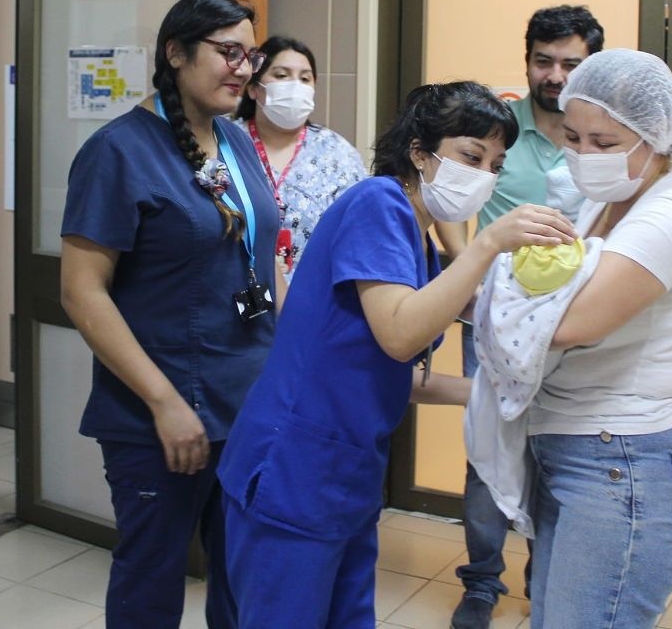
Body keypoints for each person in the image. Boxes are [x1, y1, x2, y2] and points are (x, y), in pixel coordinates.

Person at [218, 81, 577, 628]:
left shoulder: (418, 241)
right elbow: (399, 335)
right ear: (418, 151)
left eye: (495, 166)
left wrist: (506, 394)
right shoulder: (378, 203)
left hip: (348, 469)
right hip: (295, 462)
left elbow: (394, 374)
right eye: (471, 157)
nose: (483, 177)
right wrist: (485, 245)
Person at [59, 0, 278, 629]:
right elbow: (82, 292)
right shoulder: (118, 152)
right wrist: (165, 403)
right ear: (176, 54)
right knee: (152, 582)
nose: (242, 67)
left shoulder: (236, 141)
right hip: (162, 415)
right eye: (226, 52)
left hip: (246, 401)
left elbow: (258, 262)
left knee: (242, 577)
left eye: (250, 55)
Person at [515, 48, 672, 627]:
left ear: (656, 139)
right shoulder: (601, 201)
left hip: (628, 461)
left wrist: (481, 286)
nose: (584, 155)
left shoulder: (670, 216)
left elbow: (571, 323)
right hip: (576, 447)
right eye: (573, 137)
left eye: (604, 143)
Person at [436, 4, 604, 629]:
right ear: (527, 60)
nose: (555, 74)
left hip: (576, 331)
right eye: (543, 60)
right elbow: (453, 202)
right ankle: (481, 583)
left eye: (570, 63)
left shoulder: (604, 140)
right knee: (488, 455)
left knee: (559, 457)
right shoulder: (499, 130)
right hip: (497, 325)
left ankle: (547, 579)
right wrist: (470, 275)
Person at [233, 35, 366, 282]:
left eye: (305, 79)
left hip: (314, 296)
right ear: (253, 88)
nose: (295, 86)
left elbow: (359, 230)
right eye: (282, 76)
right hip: (234, 292)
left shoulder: (337, 153)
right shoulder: (226, 142)